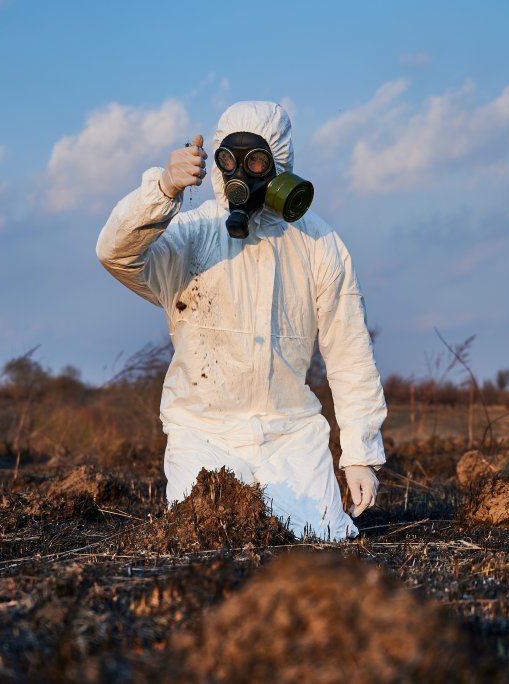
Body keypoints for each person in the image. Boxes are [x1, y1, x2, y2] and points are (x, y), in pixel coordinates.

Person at [96, 101, 386, 540]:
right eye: (230, 160)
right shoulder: (191, 233)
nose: (242, 175)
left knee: (321, 541)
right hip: (202, 433)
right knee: (203, 540)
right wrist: (161, 190)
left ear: (281, 165)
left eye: (256, 161)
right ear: (215, 161)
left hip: (291, 435)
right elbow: (115, 253)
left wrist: (360, 453)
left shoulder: (317, 242)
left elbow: (348, 350)